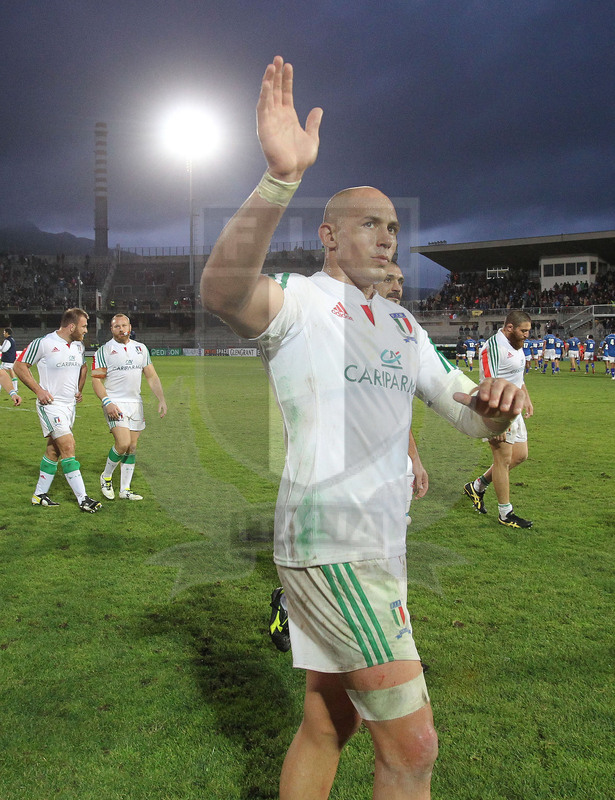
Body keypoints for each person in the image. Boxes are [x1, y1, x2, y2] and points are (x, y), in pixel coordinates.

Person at [200, 56, 526, 800]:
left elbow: (464, 411)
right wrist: (279, 177)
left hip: (380, 545)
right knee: (413, 747)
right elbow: (221, 290)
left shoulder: (403, 325)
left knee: (328, 723)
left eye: (392, 226)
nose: (386, 238)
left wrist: (496, 402)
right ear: (328, 237)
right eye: (368, 225)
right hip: (331, 545)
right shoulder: (301, 303)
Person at [14, 308, 102, 512]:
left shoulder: (78, 346)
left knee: (54, 450)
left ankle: (39, 495)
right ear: (71, 326)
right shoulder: (44, 343)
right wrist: (39, 391)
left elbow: (82, 368)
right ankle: (83, 499)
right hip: (51, 405)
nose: (86, 330)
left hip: (69, 406)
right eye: (84, 326)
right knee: (68, 446)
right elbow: (20, 366)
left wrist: (78, 390)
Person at [464, 310, 534, 529]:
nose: (527, 335)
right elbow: (488, 382)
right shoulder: (494, 346)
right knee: (502, 459)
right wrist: (495, 419)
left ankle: (477, 486)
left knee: (520, 456)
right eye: (524, 331)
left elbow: (517, 377)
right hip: (497, 409)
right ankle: (506, 513)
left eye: (528, 331)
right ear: (510, 328)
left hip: (513, 407)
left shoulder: (517, 346)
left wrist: (527, 399)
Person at [91, 314, 167, 500]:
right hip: (115, 402)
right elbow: (96, 380)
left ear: (130, 326)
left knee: (132, 447)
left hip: (135, 403)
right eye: (117, 326)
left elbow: (151, 376)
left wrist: (162, 399)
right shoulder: (104, 351)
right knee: (123, 443)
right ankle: (106, 476)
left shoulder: (140, 349)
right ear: (112, 329)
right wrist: (107, 402)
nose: (121, 328)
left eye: (124, 325)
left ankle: (125, 490)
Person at [0, 327, 19, 395]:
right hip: (11, 359)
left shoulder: (7, 340)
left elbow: (4, 349)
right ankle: (15, 388)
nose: (3, 333)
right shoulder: (12, 340)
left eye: (4, 332)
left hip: (7, 360)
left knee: (1, 373)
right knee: (11, 373)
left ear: (7, 333)